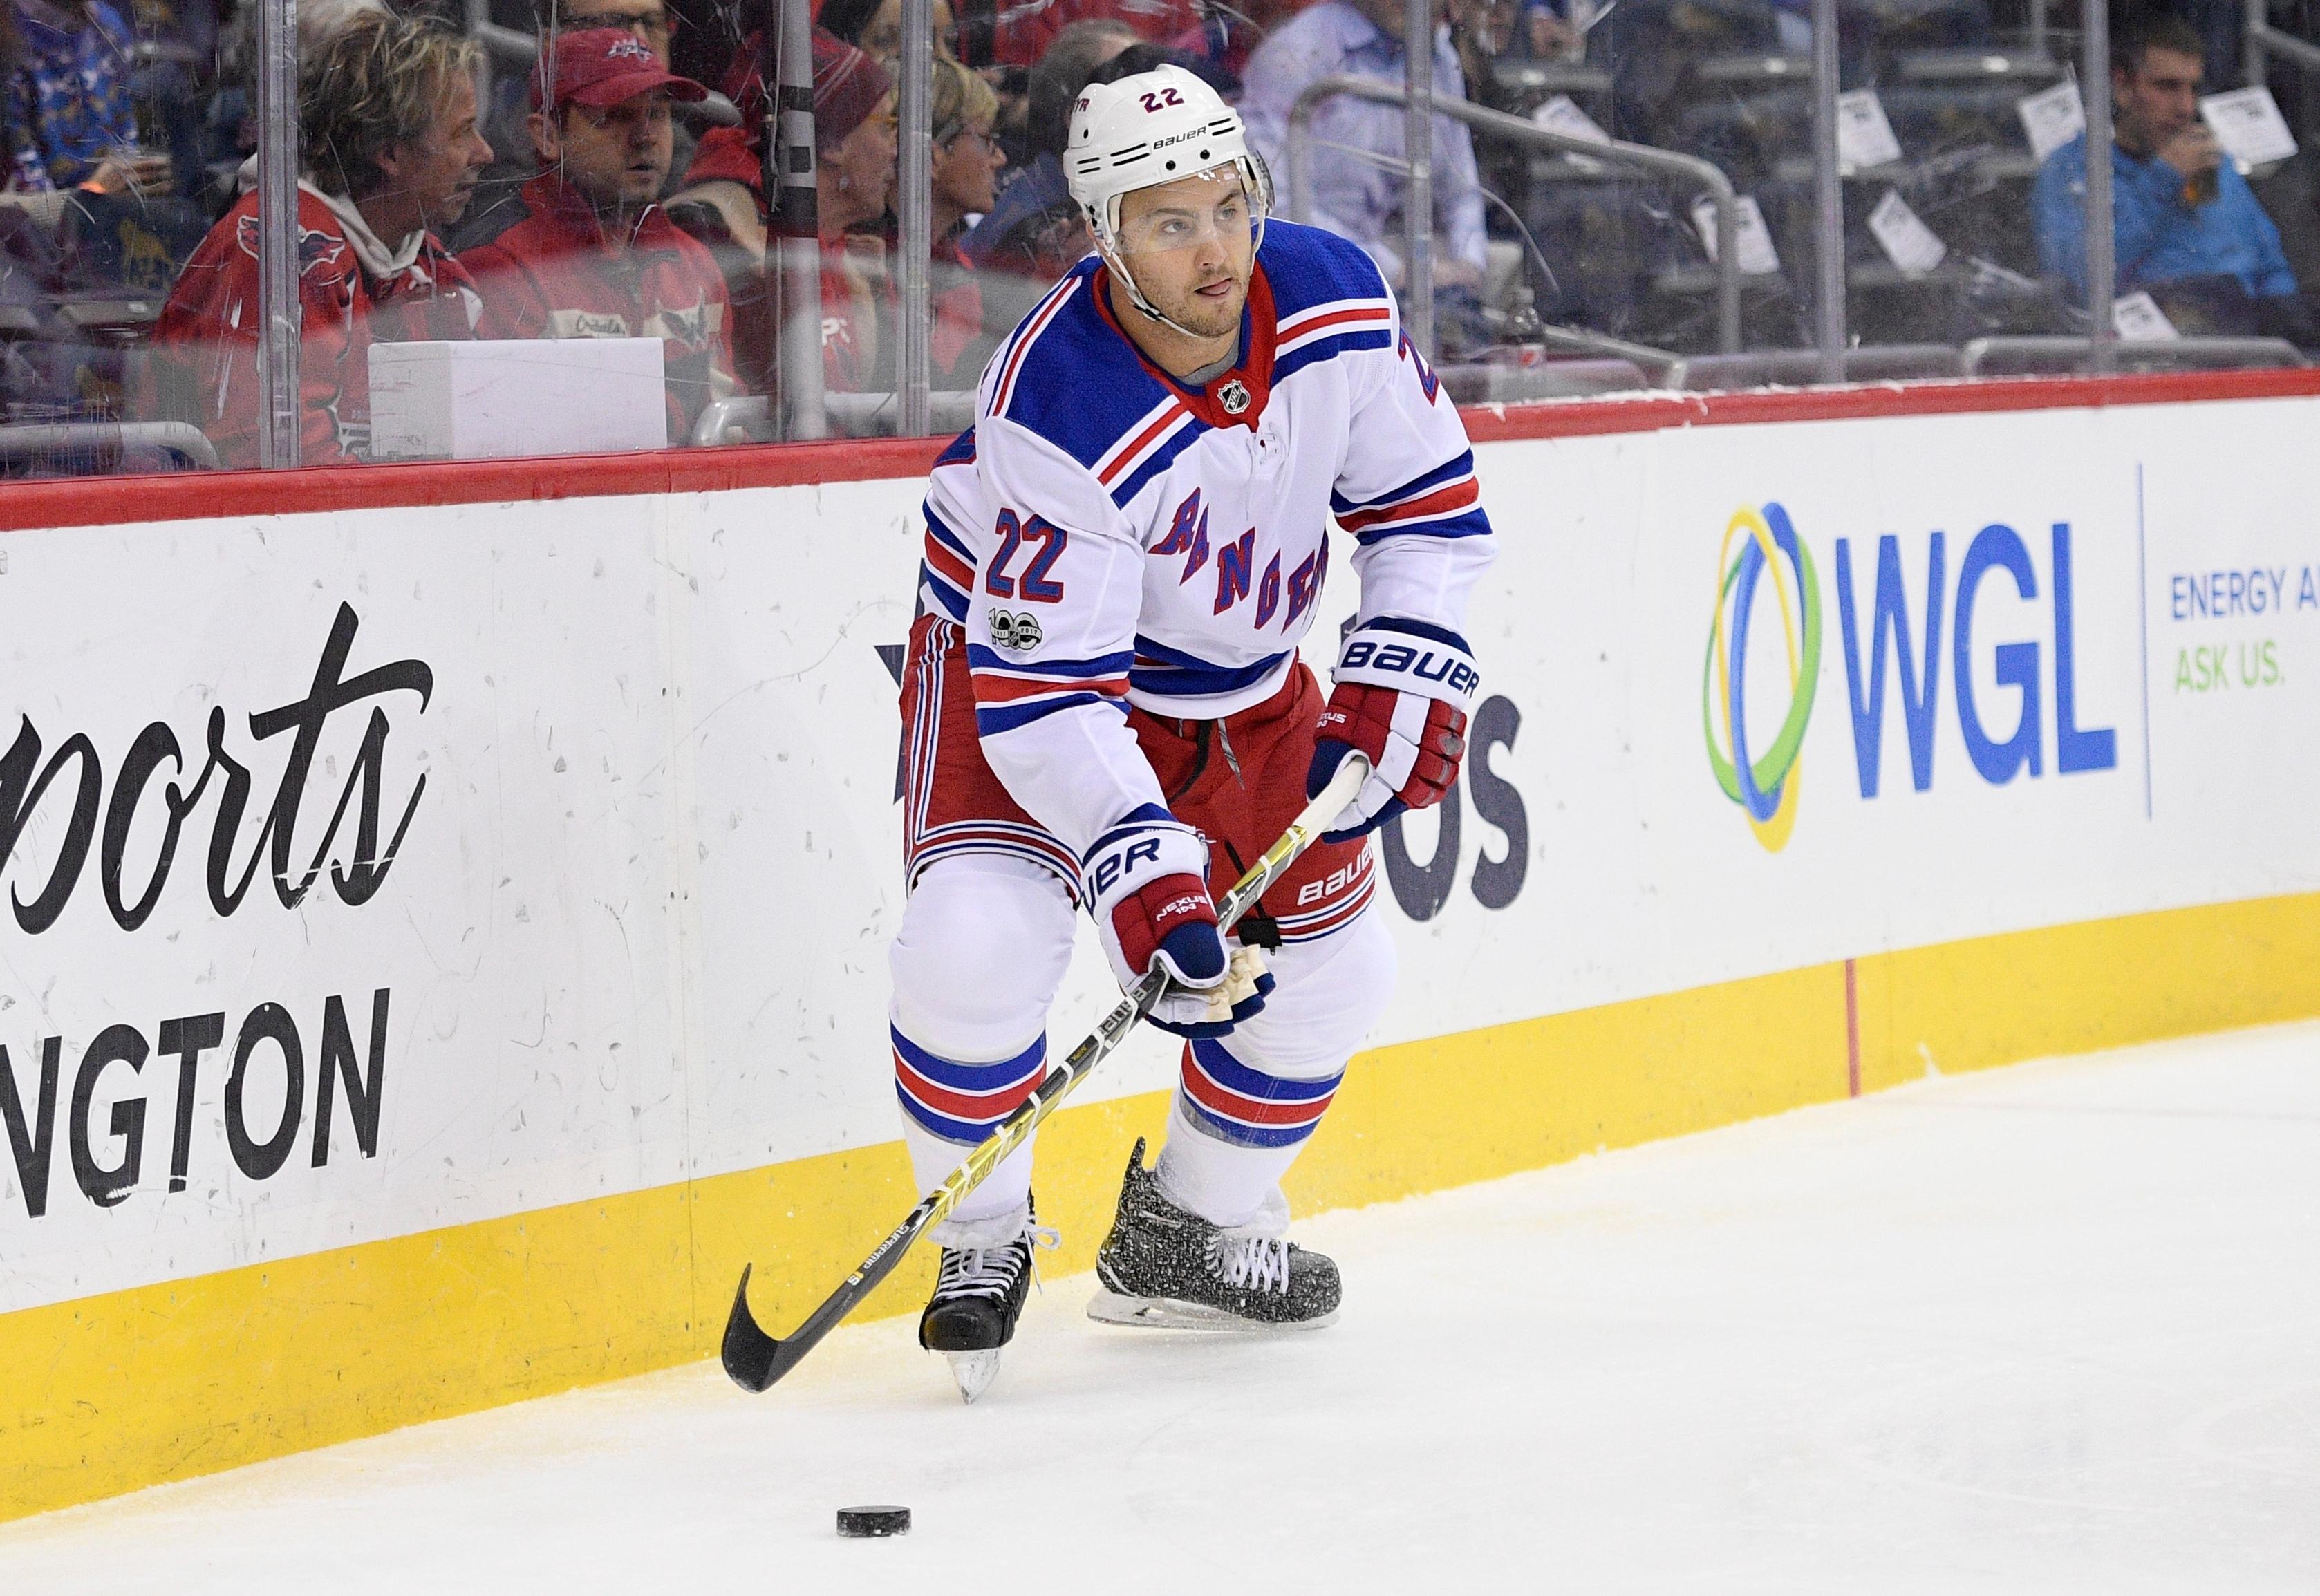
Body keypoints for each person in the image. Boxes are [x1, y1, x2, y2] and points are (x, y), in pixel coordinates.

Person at [893, 62, 1494, 1397]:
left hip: (1237, 677)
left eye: (1228, 205)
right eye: (1170, 222)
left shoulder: (1333, 291)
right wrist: (1143, 869)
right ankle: (978, 1238)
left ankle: (1187, 1228)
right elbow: (1053, 701)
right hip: (1027, 677)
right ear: (1104, 238)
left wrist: (1400, 667)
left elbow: (1429, 507)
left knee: (1340, 974)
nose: (1214, 246)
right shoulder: (1057, 399)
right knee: (976, 939)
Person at [150, 11, 490, 465]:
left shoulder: (429, 264)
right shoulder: (277, 253)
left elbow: (488, 431)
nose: (484, 153)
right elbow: (273, 476)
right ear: (389, 152)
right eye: (462, 132)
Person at [461, 29, 736, 441]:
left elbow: (731, 423)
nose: (646, 136)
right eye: (615, 115)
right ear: (547, 136)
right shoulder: (498, 264)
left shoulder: (693, 260)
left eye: (658, 114)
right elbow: (521, 441)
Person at [2034, 12, 2301, 335]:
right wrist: (2163, 178)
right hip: (2148, 347)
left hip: (2244, 337)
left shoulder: (2218, 164)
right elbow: (2081, 281)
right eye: (2168, 87)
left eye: (2193, 89)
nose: (2187, 108)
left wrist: (2286, 322)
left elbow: (2270, 265)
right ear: (2122, 87)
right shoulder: (2074, 169)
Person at [667, 28, 895, 391]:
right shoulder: (717, 231)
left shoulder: (847, 254)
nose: (895, 151)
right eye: (886, 127)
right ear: (833, 142)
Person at [1239, 0, 1490, 315]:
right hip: (1322, 288)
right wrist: (1392, 271)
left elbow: (1462, 190)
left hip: (1424, 286)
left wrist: (1469, 262)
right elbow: (1269, 202)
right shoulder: (1297, 52)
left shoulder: (1438, 54)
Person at [960, 19, 1138, 288]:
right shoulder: (1039, 230)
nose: (1149, 99)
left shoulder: (1063, 193)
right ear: (1077, 115)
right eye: (1128, 85)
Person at [7, 0, 167, 194]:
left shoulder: (108, 24)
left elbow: (125, 129)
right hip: (61, 210)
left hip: (106, 201)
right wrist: (93, 191)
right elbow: (26, 206)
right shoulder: (12, 45)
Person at [929, 53, 1006, 384]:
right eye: (986, 142)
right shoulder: (870, 263)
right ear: (934, 154)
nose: (1000, 159)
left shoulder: (955, 261)